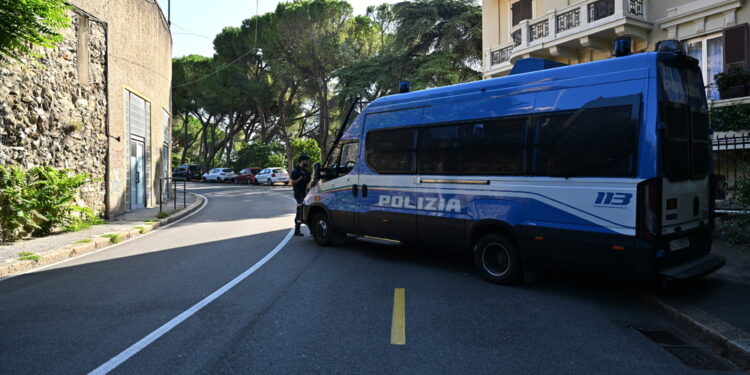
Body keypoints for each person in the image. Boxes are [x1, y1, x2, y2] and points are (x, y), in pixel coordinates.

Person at [290, 154, 311, 236]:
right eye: (307, 160)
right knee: (300, 211)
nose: (308, 162)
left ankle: (312, 230)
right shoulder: (296, 171)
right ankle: (297, 230)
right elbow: (292, 183)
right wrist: (300, 179)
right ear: (302, 161)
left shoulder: (306, 171)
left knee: (308, 210)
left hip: (306, 193)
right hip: (299, 194)